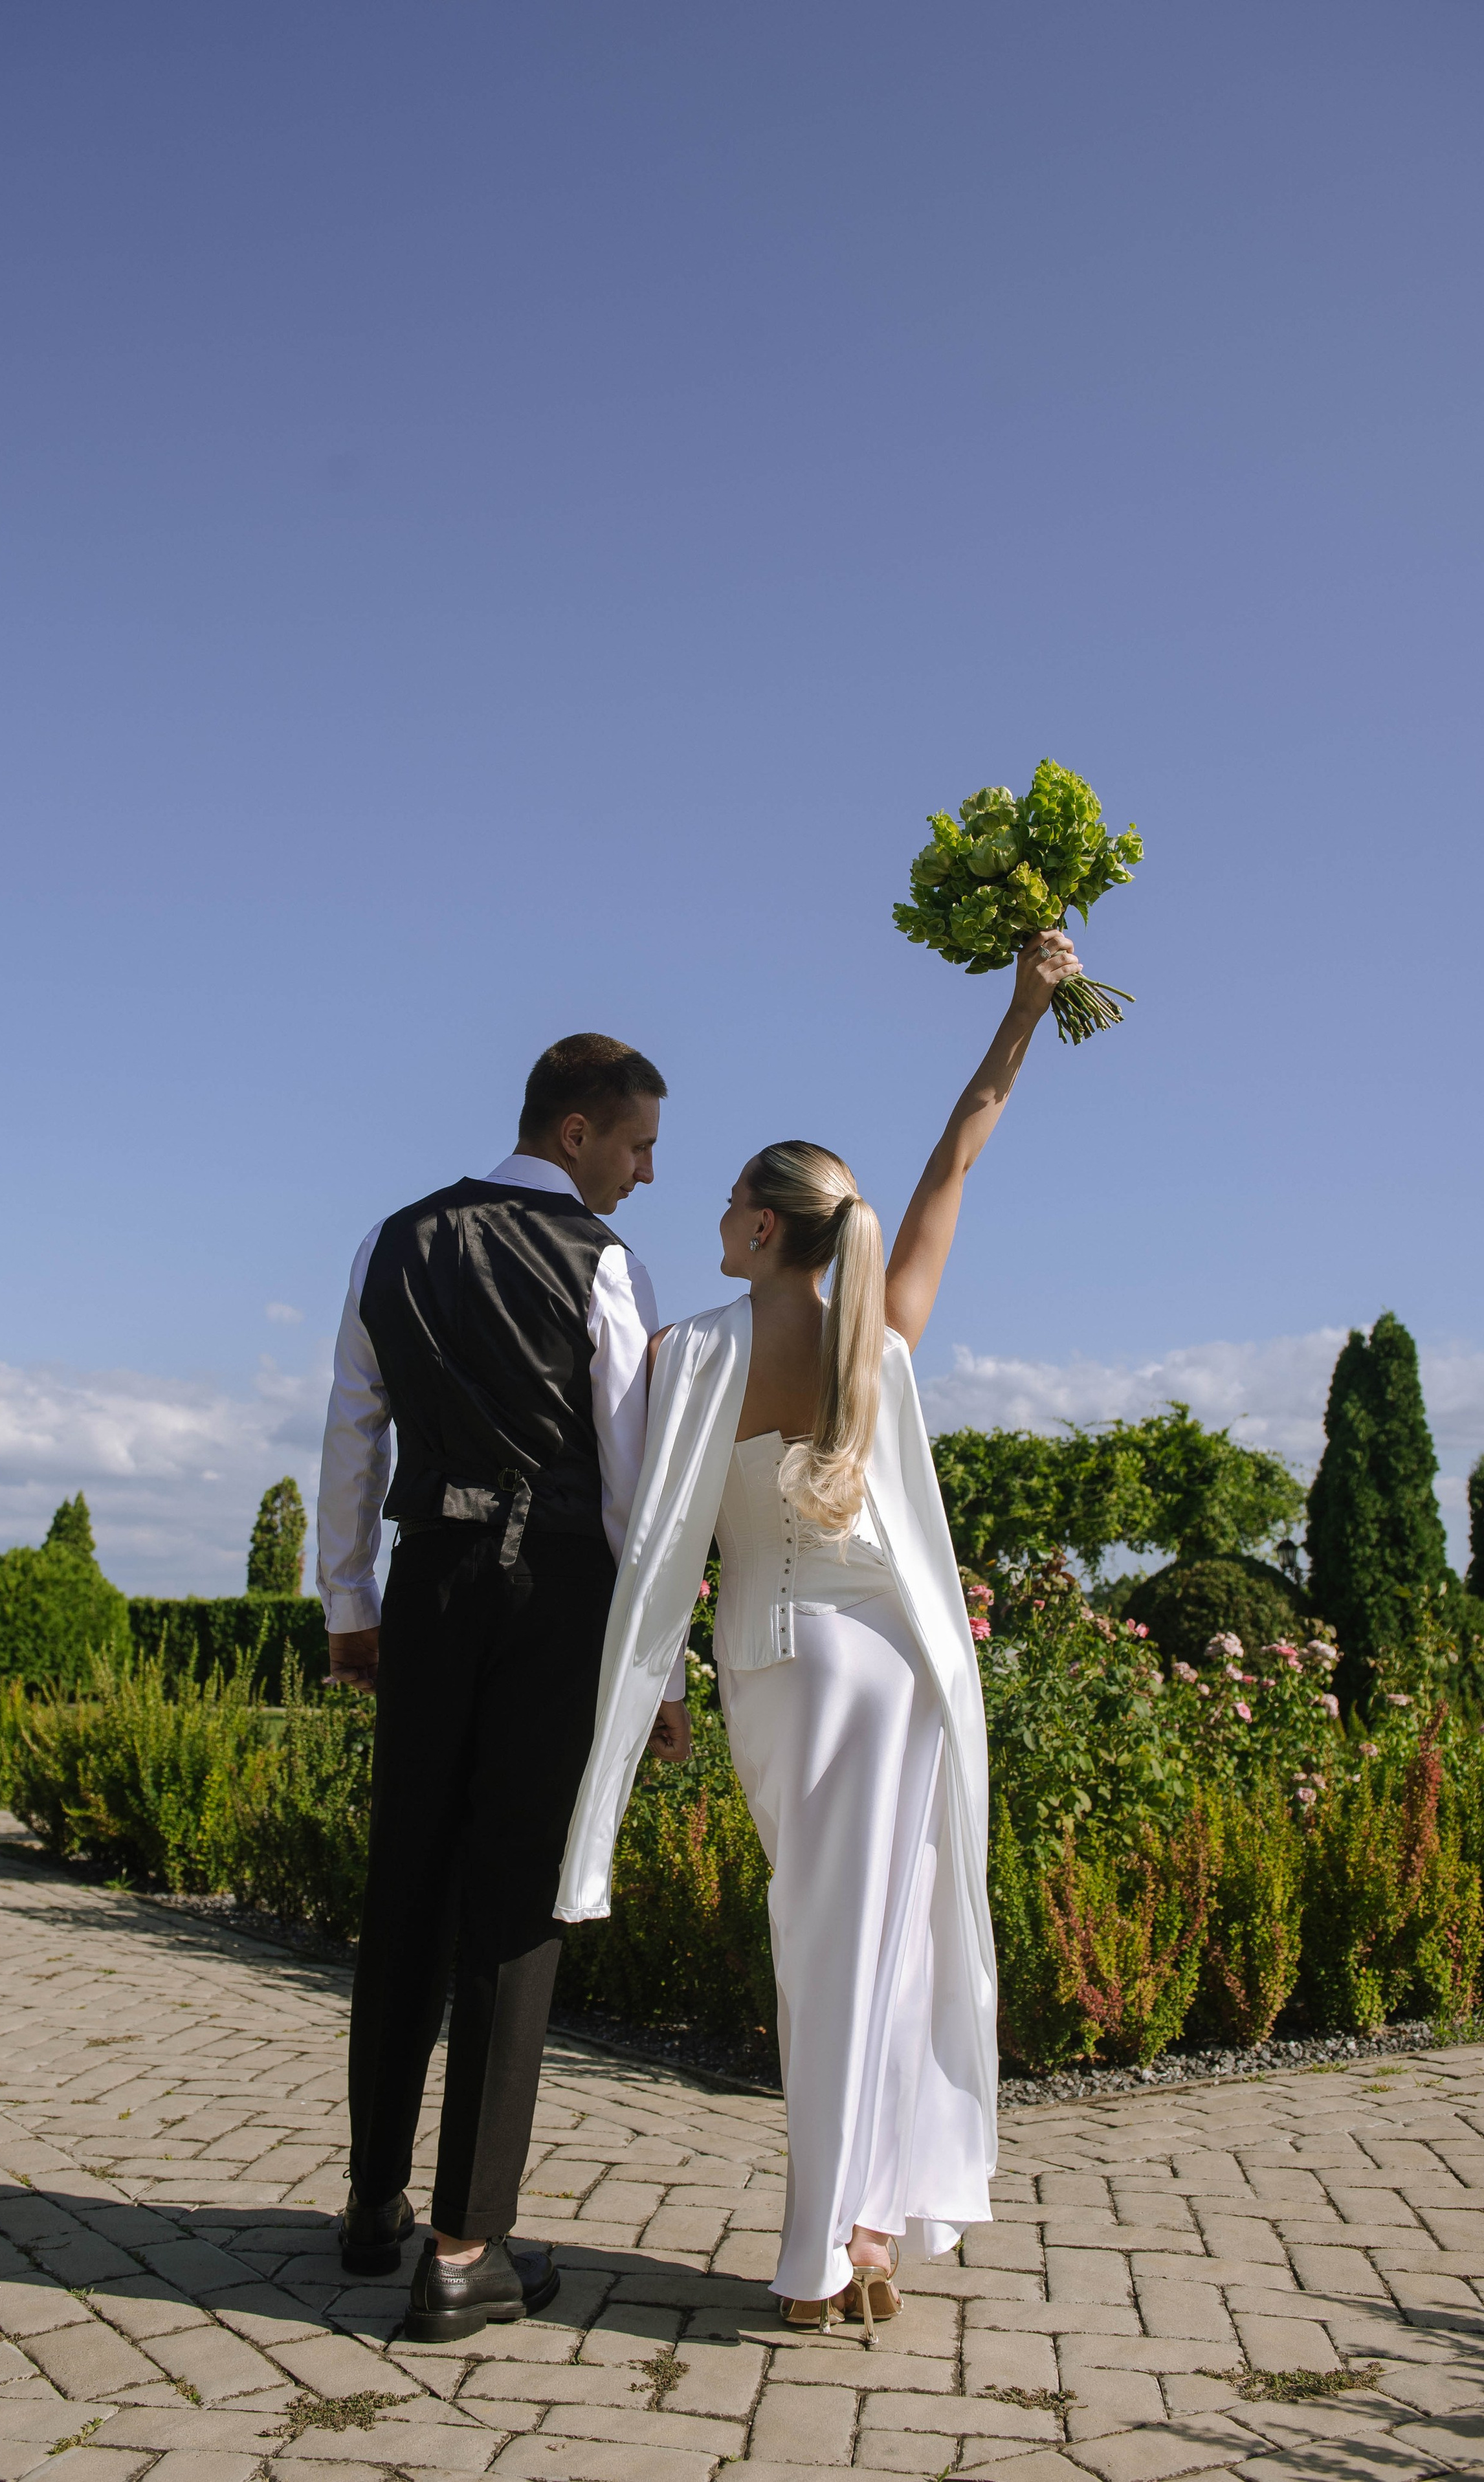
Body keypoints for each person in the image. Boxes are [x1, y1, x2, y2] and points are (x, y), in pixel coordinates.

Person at [557, 930, 1081, 2333]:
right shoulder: (880, 1343)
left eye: (733, 1195)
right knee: (888, 1945)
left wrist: (654, 1683)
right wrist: (1021, 1013)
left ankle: (825, 2252)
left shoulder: (688, 1354)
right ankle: (867, 2224)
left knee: (823, 1949)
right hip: (899, 1672)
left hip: (779, 1668)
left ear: (764, 1229)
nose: (715, 1208)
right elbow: (953, 1162)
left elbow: (647, 1534)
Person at [316, 1031, 691, 2344]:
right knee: (515, 1907)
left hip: (427, 1583)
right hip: (554, 1597)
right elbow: (635, 1483)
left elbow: (353, 1429)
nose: (646, 1172)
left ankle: (372, 2206)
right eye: (638, 1144)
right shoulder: (603, 1263)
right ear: (576, 1131)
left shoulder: (392, 1239)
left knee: (405, 1887)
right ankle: (464, 2249)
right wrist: (659, 1670)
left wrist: (350, 1606)